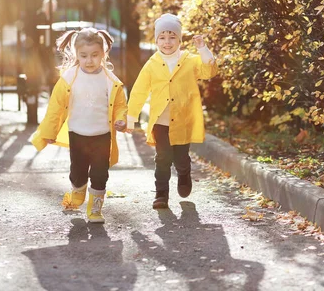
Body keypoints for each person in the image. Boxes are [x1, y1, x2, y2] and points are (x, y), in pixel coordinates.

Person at [31, 27, 128, 223]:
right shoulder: (69, 78)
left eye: (94, 55)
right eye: (83, 56)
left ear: (103, 53)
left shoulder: (111, 81)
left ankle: (95, 210)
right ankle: (78, 189)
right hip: (78, 134)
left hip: (102, 135)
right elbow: (55, 108)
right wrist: (50, 132)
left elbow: (120, 105)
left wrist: (122, 119)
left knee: (100, 174)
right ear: (76, 54)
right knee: (78, 172)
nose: (89, 60)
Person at [126, 13, 218, 209]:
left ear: (179, 39)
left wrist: (202, 48)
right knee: (162, 158)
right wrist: (130, 119)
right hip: (160, 121)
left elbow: (209, 70)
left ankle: (184, 175)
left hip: (183, 120)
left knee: (181, 158)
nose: (167, 42)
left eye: (172, 37)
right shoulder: (151, 64)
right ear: (156, 39)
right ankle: (161, 195)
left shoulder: (190, 60)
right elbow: (139, 91)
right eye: (162, 37)